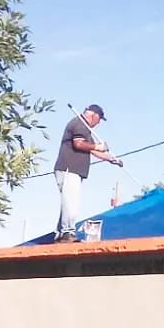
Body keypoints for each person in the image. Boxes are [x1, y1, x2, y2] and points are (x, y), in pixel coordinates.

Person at [53, 103, 121, 243]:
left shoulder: (84, 128)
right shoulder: (79, 124)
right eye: (99, 119)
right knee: (71, 201)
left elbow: (92, 149)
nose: (98, 123)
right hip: (69, 168)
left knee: (68, 201)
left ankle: (61, 234)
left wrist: (110, 158)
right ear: (94, 115)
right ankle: (67, 232)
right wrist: (98, 146)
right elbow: (78, 144)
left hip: (72, 169)